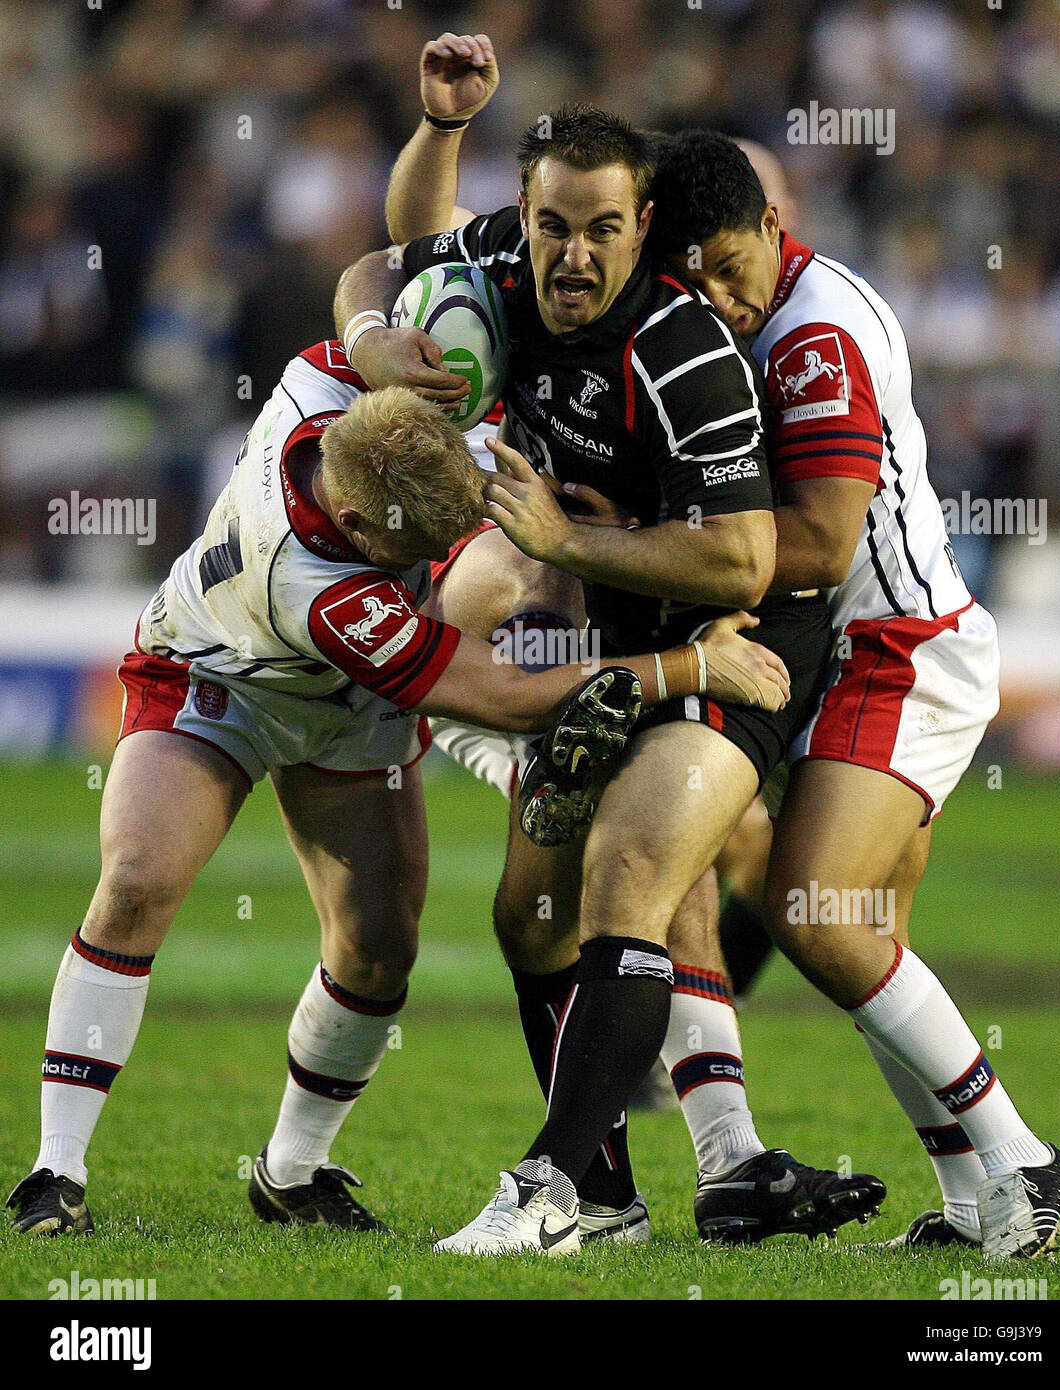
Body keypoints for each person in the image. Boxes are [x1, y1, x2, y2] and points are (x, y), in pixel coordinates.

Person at [5, 342, 785, 1238]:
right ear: (356, 522)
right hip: (217, 679)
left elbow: (374, 286)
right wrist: (687, 665)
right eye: (418, 544)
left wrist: (378, 333)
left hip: (351, 707)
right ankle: (53, 1170)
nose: (439, 555)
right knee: (138, 879)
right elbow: (494, 687)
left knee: (378, 950)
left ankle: (291, 1173)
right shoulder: (322, 587)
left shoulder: (328, 378)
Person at [337, 102, 887, 1256]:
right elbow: (375, 266)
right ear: (525, 216)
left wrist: (566, 545)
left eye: (601, 230)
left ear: (642, 228)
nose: (573, 255)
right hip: (610, 615)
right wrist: (373, 344)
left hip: (740, 632)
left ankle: (547, 1186)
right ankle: (613, 1194)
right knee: (527, 917)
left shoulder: (685, 355)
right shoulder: (503, 251)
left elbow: (746, 555)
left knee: (629, 868)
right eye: (552, 226)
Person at [644, 129, 1060, 1259]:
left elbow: (826, 539)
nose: (719, 299)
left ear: (774, 231)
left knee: (812, 909)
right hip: (877, 649)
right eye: (696, 278)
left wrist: (641, 548)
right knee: (868, 932)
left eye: (732, 270)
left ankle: (1024, 1156)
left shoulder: (812, 334)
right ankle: (976, 1196)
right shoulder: (785, 302)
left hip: (902, 645)